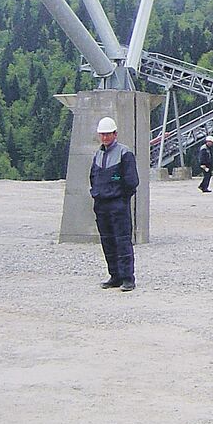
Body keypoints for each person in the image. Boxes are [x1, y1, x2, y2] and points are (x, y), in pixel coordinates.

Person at [89, 117, 140, 292]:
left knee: (122, 240)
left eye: (107, 134)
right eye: (102, 135)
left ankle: (128, 278)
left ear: (115, 134)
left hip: (118, 204)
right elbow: (93, 177)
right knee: (107, 241)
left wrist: (120, 197)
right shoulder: (98, 154)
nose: (104, 138)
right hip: (101, 204)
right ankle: (115, 276)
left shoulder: (125, 154)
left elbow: (131, 181)